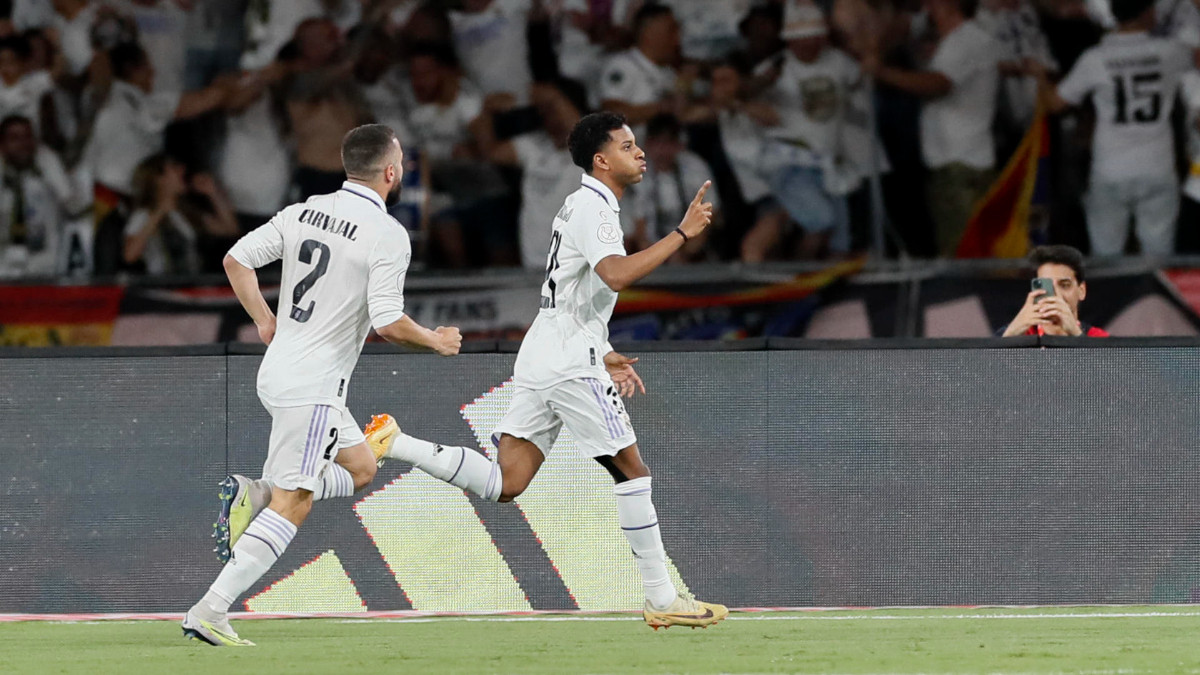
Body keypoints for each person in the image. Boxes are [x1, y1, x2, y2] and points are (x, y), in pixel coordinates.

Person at [365, 111, 729, 630]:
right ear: (602, 160)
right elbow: (616, 273)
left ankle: (394, 442)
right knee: (632, 470)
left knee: (506, 482)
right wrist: (682, 233)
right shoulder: (595, 209)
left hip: (547, 349)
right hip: (565, 360)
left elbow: (572, 294)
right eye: (627, 146)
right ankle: (662, 597)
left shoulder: (582, 204)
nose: (640, 152)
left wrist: (601, 347)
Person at [182, 124, 464, 647]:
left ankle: (259, 492)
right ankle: (211, 609)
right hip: (313, 387)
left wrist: (265, 320)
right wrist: (436, 340)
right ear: (390, 172)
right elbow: (388, 321)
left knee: (361, 468)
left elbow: (235, 260)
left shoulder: (304, 209)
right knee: (298, 502)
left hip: (283, 374)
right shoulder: (386, 233)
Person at [1028, 0, 1189, 257]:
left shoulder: (1096, 58)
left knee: (1107, 256)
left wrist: (1039, 75)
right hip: (1158, 165)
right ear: (1148, 12)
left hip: (1110, 168)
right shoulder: (1171, 51)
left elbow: (1055, 104)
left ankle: (1110, 298)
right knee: (1159, 256)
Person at [999, 244, 1110, 337]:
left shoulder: (1097, 338)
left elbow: (1104, 362)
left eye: (1065, 285)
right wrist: (1011, 334)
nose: (1056, 296)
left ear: (1081, 291)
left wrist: (1075, 334)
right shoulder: (1018, 334)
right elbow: (986, 362)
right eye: (1046, 286)